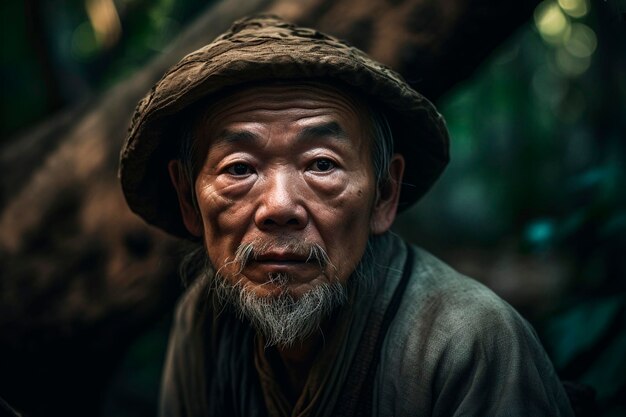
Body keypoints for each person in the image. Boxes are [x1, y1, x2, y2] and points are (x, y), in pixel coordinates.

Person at [119, 14, 574, 417]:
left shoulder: (470, 343)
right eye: (239, 168)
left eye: (321, 164)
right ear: (187, 199)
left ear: (384, 194)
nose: (279, 207)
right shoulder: (203, 324)